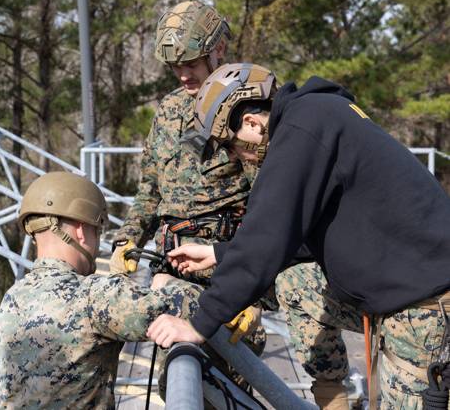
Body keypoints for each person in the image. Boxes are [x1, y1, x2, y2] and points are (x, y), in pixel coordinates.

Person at [147, 62, 450, 409]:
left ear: (251, 123)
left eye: (231, 146)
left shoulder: (300, 130)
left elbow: (268, 233)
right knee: (297, 283)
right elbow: (297, 235)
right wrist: (221, 253)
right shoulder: (316, 115)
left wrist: (198, 325)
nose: (236, 155)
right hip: (406, 293)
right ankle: (333, 402)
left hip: (425, 307)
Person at [109, 0, 266, 356]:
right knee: (178, 378)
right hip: (172, 271)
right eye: (175, 66)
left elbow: (268, 207)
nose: (183, 75)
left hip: (226, 273)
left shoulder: (250, 108)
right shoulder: (168, 109)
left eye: (191, 64)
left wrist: (254, 291)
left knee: (231, 384)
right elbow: (150, 189)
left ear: (219, 50)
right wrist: (127, 239)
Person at [0, 172, 202, 409]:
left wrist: (117, 280)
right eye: (97, 231)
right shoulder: (93, 296)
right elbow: (189, 303)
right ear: (81, 231)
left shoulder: (11, 299)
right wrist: (165, 283)